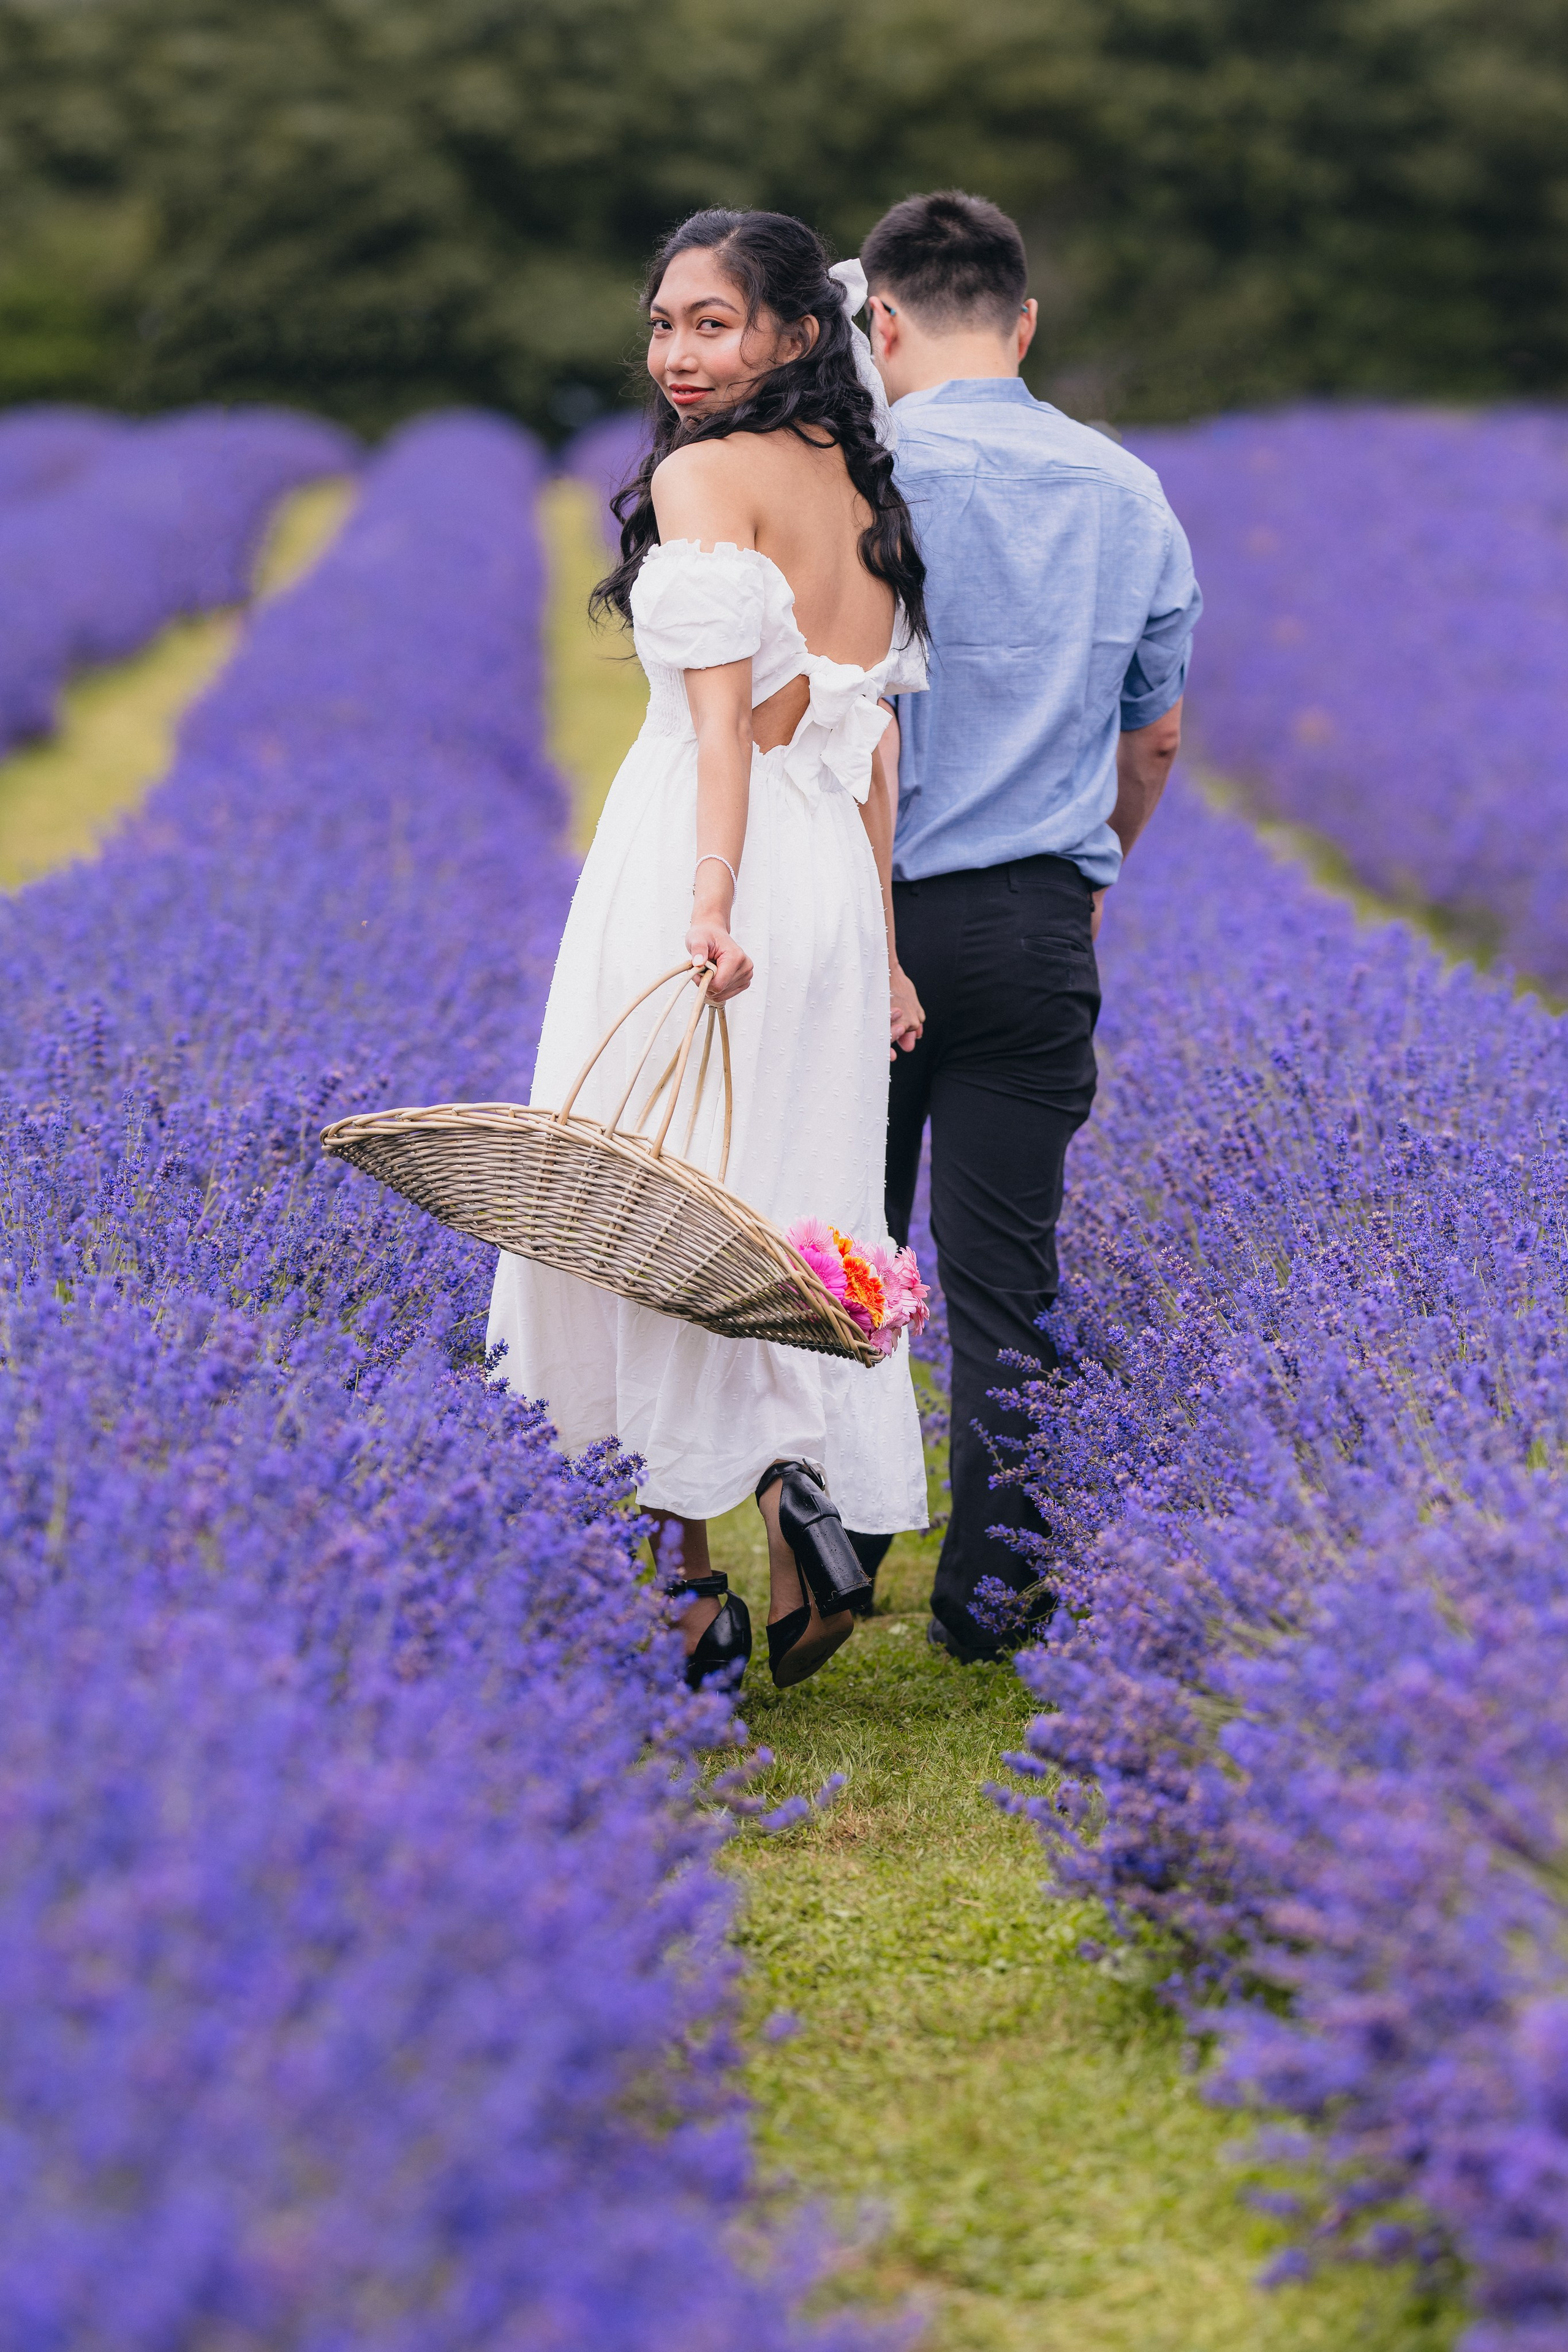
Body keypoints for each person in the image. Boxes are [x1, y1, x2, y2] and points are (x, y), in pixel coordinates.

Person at [488, 208, 932, 1691]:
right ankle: (800, 1509)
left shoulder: (698, 475)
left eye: (712, 323)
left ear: (796, 334)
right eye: (664, 324)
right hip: (825, 895)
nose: (677, 354)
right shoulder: (858, 484)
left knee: (642, 1205)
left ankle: (684, 1583)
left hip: (705, 865)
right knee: (785, 1208)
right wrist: (883, 953)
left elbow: (721, 735)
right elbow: (867, 746)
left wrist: (707, 900)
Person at [846, 189, 1202, 1661]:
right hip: (1031, 916)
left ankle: (828, 1560)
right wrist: (1092, 873)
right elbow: (1154, 734)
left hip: (860, 916)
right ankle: (993, 1605)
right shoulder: (1123, 488)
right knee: (1006, 1275)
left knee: (835, 1252)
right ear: (1024, 320)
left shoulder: (854, 474)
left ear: (879, 321)